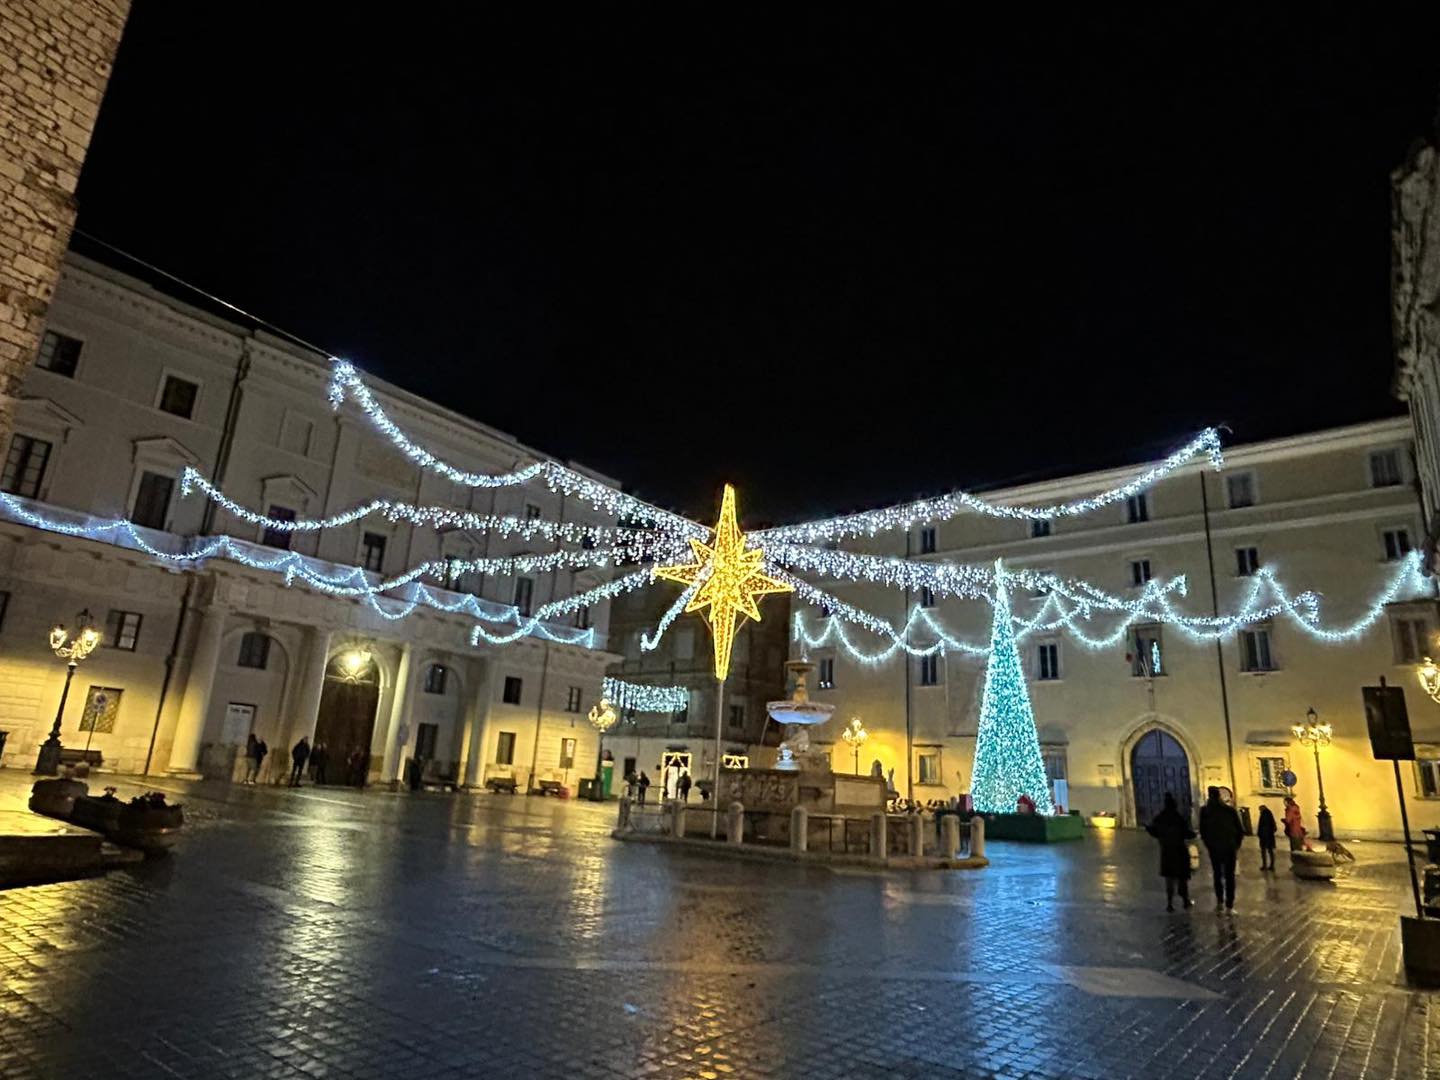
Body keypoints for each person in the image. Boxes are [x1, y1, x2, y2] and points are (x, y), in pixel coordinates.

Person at [1198, 786, 1245, 914]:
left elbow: (1203, 831)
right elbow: (1240, 831)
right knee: (1230, 876)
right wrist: (1236, 845)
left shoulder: (1205, 811)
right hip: (1229, 847)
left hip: (1215, 848)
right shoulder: (1229, 811)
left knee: (1217, 874)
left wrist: (1208, 844)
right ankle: (1230, 905)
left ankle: (1220, 902)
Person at [1146, 793, 1195, 912]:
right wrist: (1193, 835)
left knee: (1169, 879)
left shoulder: (1161, 817)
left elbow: (1153, 830)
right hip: (1179, 851)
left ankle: (1170, 903)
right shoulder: (1178, 817)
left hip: (1166, 851)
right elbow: (1186, 832)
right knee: (1182, 878)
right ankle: (1185, 901)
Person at [1256, 804, 1278, 871]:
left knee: (1264, 851)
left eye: (1260, 810)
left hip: (1264, 837)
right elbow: (1274, 827)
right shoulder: (1270, 814)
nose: (1259, 811)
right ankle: (1272, 865)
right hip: (1270, 836)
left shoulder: (1263, 815)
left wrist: (1260, 834)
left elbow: (1262, 826)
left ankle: (1264, 865)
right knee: (1270, 851)